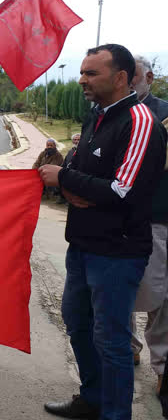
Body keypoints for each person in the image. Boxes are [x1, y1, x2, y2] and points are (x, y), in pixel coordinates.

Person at [38, 44, 167, 420]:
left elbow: (122, 190)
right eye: (82, 72)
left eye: (91, 73)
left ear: (121, 78)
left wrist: (64, 177)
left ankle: (114, 414)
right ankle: (92, 399)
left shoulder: (139, 121)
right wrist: (72, 183)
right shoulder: (95, 117)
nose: (82, 80)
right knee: (77, 322)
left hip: (117, 252)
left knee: (112, 342)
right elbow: (87, 174)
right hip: (81, 245)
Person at [129, 54, 168, 393]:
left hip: (156, 218)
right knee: (118, 291)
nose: (128, 81)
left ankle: (163, 368)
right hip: (116, 221)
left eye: (134, 75)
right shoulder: (108, 113)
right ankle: (130, 349)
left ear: (150, 78)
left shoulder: (164, 114)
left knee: (158, 297)